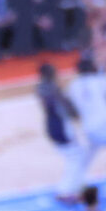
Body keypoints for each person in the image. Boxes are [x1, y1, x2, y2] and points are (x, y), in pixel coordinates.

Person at [37, 65, 92, 202]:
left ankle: (76, 186)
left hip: (53, 126)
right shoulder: (52, 90)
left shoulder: (42, 88)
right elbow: (65, 106)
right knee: (75, 157)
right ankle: (65, 190)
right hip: (60, 126)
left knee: (76, 155)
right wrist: (75, 114)